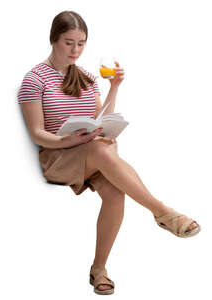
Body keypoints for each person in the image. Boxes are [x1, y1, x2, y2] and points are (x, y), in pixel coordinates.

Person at [17, 10, 201, 295]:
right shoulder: (35, 79)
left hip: (91, 154)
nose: (76, 50)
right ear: (53, 40)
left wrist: (114, 88)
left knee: (115, 187)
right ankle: (162, 212)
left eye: (81, 43)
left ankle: (99, 269)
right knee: (102, 150)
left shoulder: (87, 77)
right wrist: (69, 139)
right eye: (69, 42)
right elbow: (38, 133)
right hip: (57, 157)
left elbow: (101, 119)